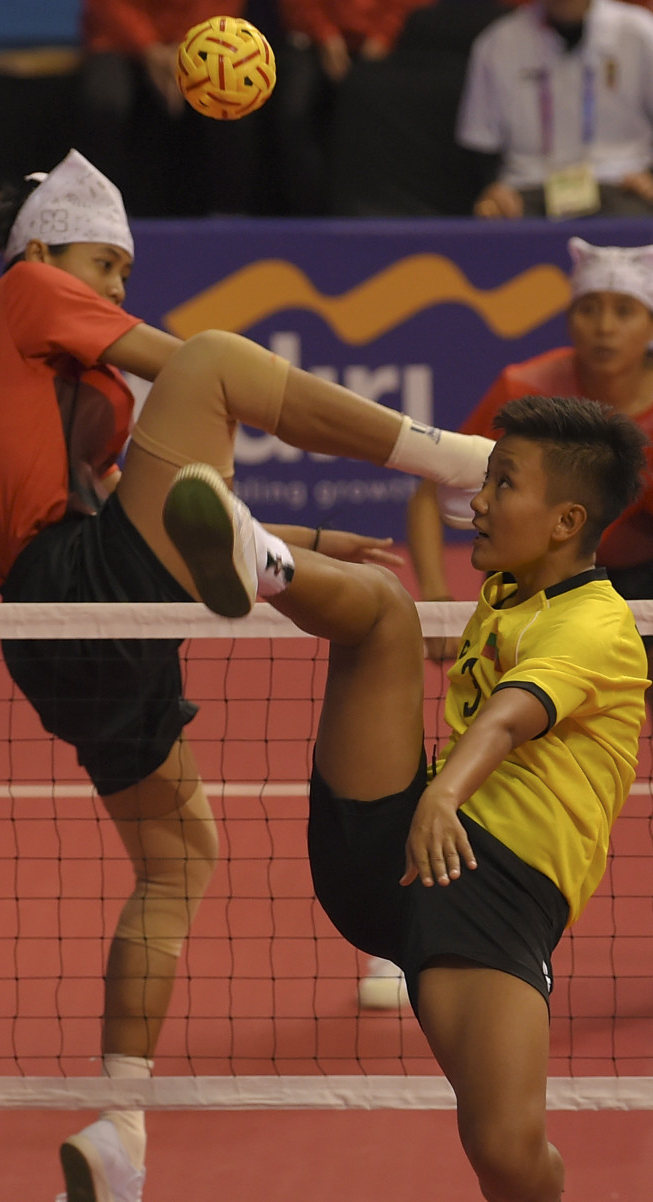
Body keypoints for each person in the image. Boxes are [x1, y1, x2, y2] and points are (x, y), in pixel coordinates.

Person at [0, 147, 493, 1202]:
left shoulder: (9, 372)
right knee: (214, 364)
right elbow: (177, 367)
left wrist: (318, 531)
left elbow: (133, 501)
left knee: (177, 856)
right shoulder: (27, 288)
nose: (114, 289)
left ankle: (121, 1126)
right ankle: (454, 463)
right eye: (108, 266)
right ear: (50, 249)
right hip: (83, 585)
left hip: (52, 628)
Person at [162, 393, 649, 1202]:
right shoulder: (510, 589)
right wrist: (435, 802)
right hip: (399, 849)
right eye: (486, 480)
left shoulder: (598, 624)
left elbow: (510, 716)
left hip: (492, 890)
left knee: (508, 1154)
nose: (480, 502)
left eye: (503, 485)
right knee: (383, 610)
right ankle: (260, 558)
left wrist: (444, 795)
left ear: (567, 522)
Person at [408, 236, 653, 669]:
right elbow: (431, 493)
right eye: (589, 308)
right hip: (529, 579)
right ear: (569, 319)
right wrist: (437, 602)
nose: (605, 327)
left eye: (625, 311)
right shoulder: (526, 389)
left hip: (639, 585)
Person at [456, 0, 653, 219]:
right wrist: (492, 187)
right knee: (494, 222)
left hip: (619, 181)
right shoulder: (499, 41)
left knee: (634, 222)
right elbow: (481, 142)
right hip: (529, 186)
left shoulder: (640, 31)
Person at [75, 1, 271, 216]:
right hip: (119, 42)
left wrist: (187, 47)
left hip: (205, 45)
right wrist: (148, 47)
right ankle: (107, 217)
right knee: (104, 103)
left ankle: (228, 219)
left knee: (232, 101)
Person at [271, 0, 433, 214]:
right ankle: (307, 214)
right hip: (314, 41)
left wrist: (384, 35)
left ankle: (382, 211)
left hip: (390, 41)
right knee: (293, 107)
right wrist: (325, 35)